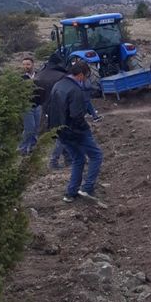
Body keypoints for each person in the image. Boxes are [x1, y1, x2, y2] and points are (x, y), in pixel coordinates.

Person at [47, 61, 104, 202]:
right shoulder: (75, 90)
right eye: (85, 76)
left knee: (78, 159)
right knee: (96, 156)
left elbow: (50, 109)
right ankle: (87, 188)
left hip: (61, 132)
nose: (85, 79)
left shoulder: (58, 85)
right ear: (80, 75)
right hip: (75, 131)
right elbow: (76, 115)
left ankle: (71, 193)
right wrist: (85, 129)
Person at [18, 56, 45, 155]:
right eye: (24, 64)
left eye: (28, 64)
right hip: (26, 106)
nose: (26, 66)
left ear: (33, 65)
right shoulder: (21, 78)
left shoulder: (39, 76)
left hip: (38, 105)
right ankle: (23, 148)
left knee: (36, 127)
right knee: (29, 127)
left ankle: (33, 147)